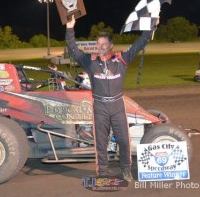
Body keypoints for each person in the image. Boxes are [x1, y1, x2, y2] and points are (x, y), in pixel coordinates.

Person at [65, 16, 158, 182]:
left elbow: (140, 43)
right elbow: (72, 49)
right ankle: (102, 172)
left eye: (104, 44)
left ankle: (126, 170)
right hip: (100, 107)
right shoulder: (90, 61)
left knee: (123, 140)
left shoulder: (121, 59)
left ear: (111, 45)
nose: (100, 47)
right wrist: (70, 28)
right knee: (101, 142)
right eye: (98, 44)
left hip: (117, 106)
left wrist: (151, 27)